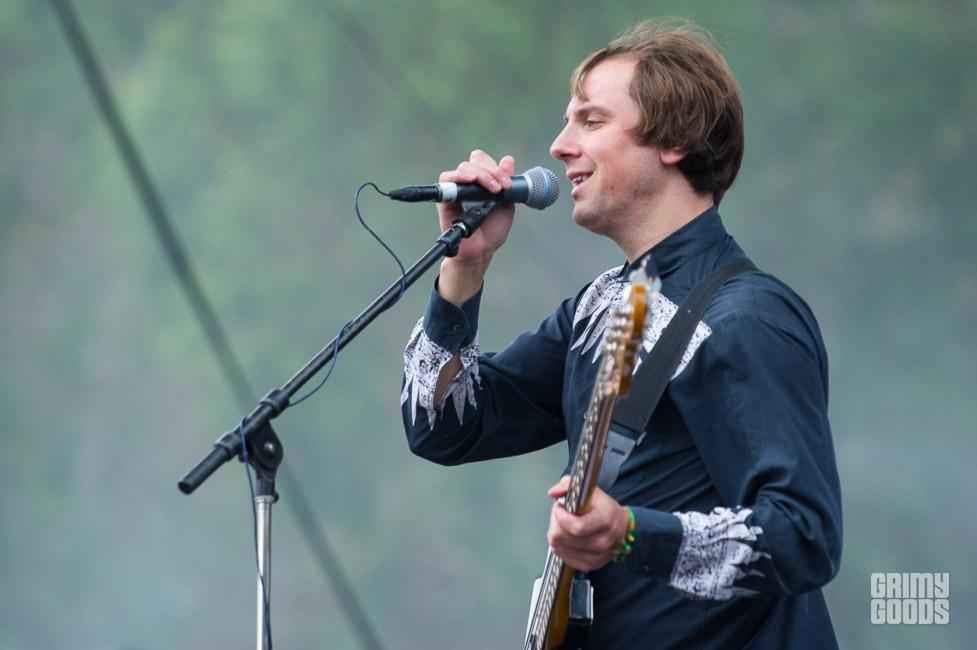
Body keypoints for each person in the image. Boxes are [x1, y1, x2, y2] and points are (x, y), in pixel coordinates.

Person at [400, 18, 842, 649]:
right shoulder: (602, 306)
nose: (559, 146)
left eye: (591, 120)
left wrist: (631, 533)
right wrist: (464, 265)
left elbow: (805, 535)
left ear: (676, 139)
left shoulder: (748, 319)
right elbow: (443, 425)